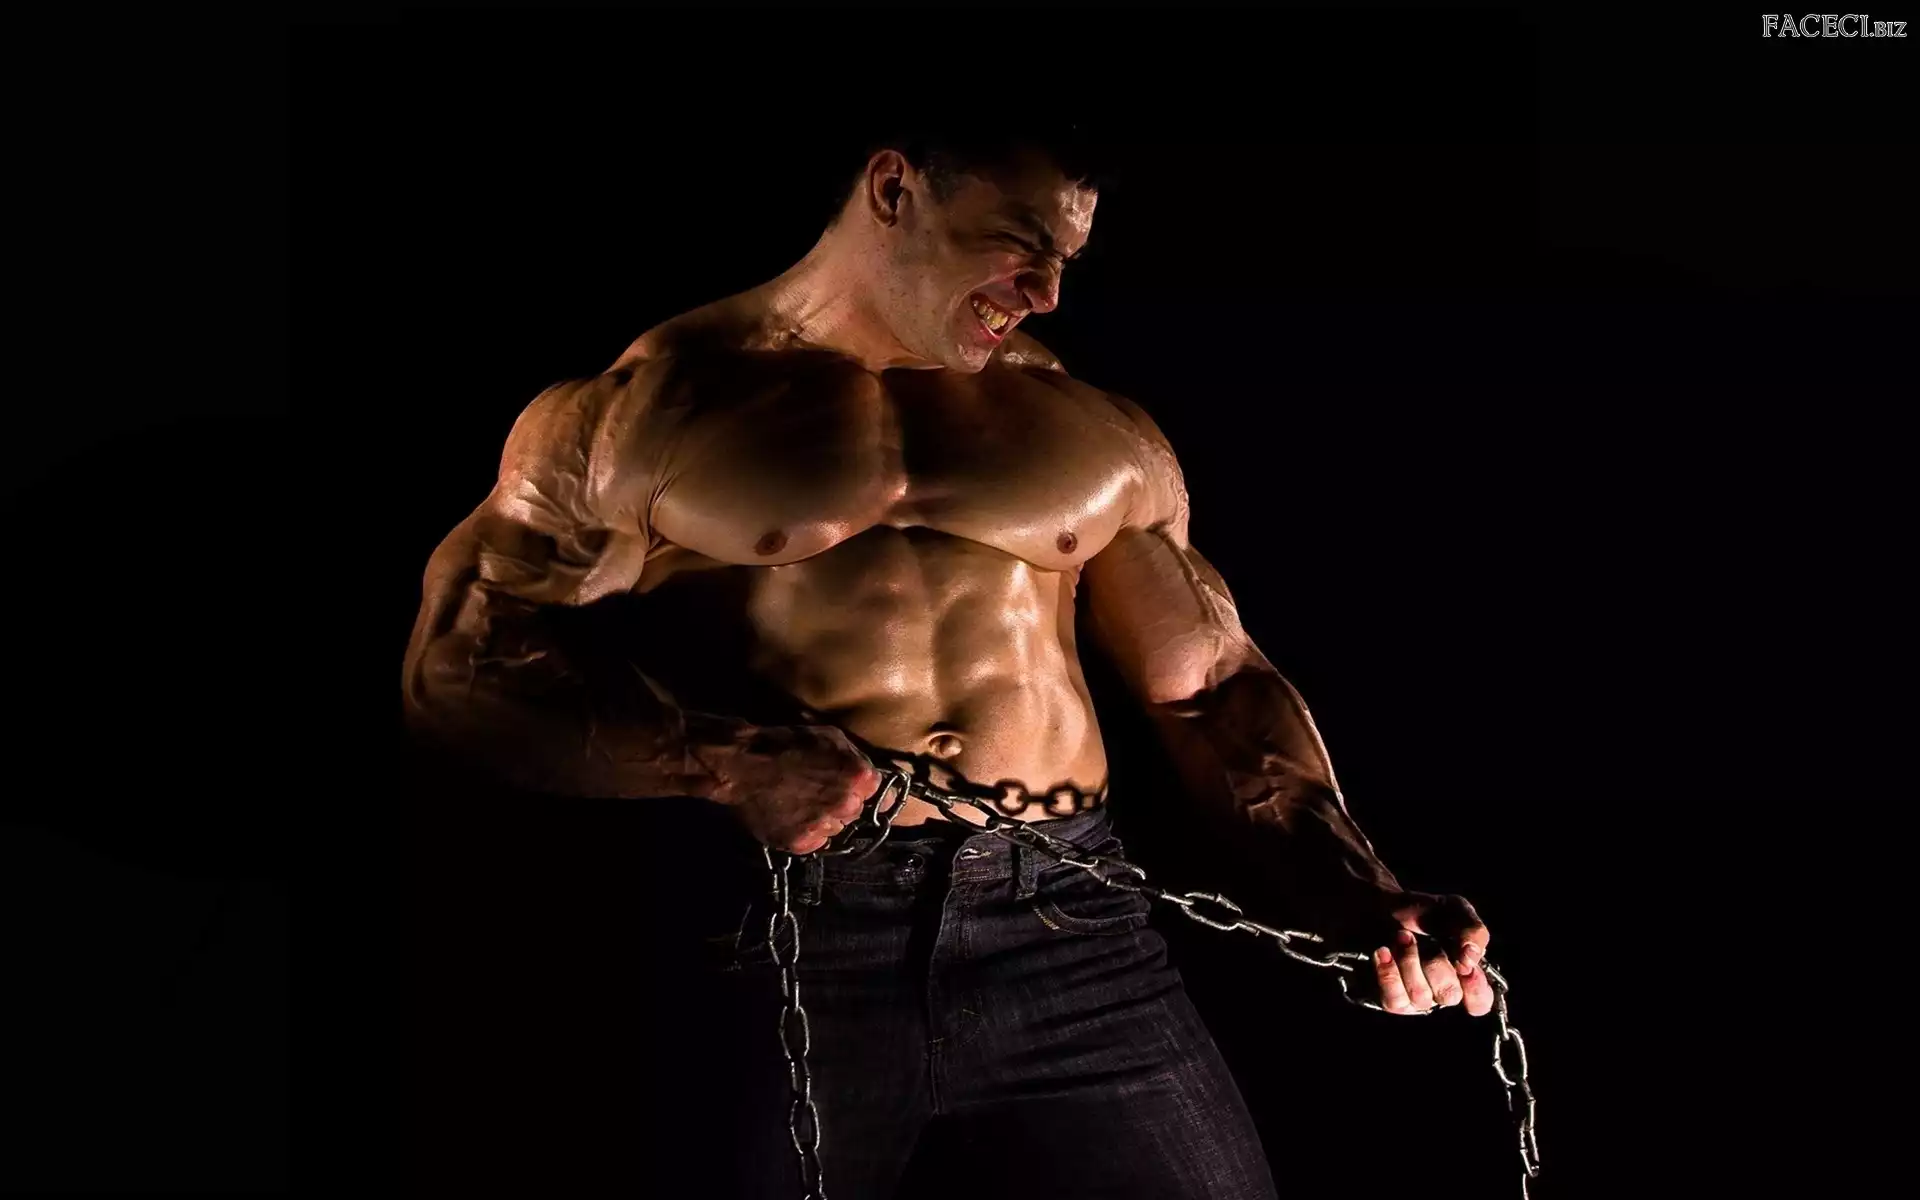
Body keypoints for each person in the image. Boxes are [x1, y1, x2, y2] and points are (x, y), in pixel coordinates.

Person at [399, 118, 1496, 1199]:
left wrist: (1357, 886)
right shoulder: (651, 411)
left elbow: (1213, 687)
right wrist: (717, 764)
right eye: (1020, 241)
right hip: (785, 936)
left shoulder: (1087, 426)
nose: (1046, 292)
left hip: (1069, 925)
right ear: (893, 188)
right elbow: (460, 666)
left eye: (1066, 260)